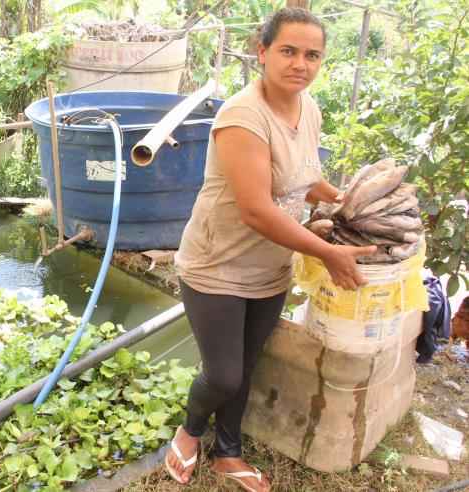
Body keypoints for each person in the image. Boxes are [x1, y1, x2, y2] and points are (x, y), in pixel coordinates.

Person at [165, 7, 377, 491]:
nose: (300, 63)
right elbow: (257, 211)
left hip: (270, 267)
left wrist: (340, 199)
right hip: (216, 265)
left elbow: (304, 175)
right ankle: (190, 429)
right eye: (288, 51)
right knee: (222, 375)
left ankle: (229, 451)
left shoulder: (309, 108)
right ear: (262, 53)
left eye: (312, 55)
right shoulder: (242, 116)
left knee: (248, 362)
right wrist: (327, 253)